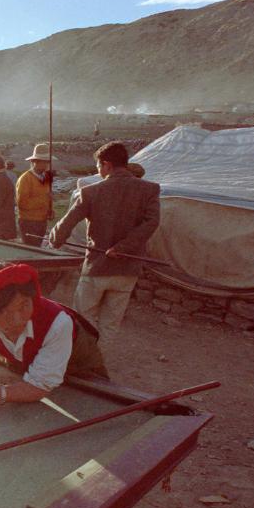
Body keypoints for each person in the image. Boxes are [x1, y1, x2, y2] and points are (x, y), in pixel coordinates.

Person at [0, 262, 107, 418]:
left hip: (81, 368)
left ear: (32, 297)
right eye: (6, 312)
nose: (18, 319)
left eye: (24, 305)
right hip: (32, 368)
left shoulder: (58, 323)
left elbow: (39, 384)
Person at [49, 141, 160, 354]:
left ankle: (84, 359)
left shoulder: (91, 192)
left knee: (83, 318)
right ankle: (99, 361)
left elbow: (66, 223)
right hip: (128, 270)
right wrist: (124, 247)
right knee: (111, 323)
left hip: (97, 268)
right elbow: (151, 223)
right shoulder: (149, 189)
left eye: (99, 166)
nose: (98, 171)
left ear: (107, 165)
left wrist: (54, 239)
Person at [15, 143, 55, 245]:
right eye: (44, 161)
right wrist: (44, 199)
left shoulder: (46, 177)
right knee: (31, 249)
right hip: (28, 222)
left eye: (48, 161)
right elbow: (22, 204)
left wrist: (50, 210)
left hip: (42, 222)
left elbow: (47, 198)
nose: (47, 164)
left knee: (37, 247)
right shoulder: (25, 179)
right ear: (34, 162)